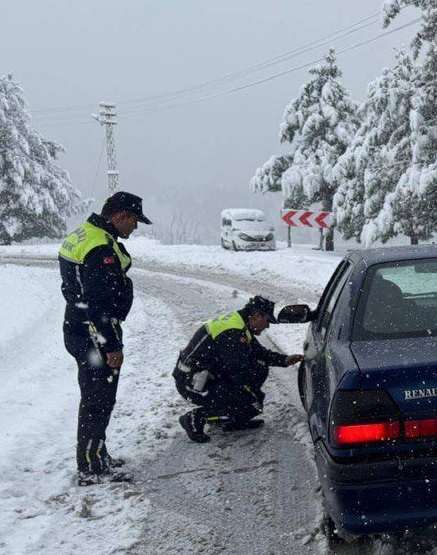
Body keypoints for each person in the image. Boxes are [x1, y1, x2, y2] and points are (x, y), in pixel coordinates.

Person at [58, 191, 151, 486]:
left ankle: (96, 454)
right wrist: (111, 344)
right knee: (97, 400)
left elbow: (72, 289)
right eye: (134, 222)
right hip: (94, 334)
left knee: (95, 396)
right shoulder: (100, 248)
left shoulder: (84, 235)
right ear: (121, 216)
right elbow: (97, 302)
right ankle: (91, 467)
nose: (134, 229)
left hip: (79, 327)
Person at [174, 296, 303, 443]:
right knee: (249, 403)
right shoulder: (233, 332)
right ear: (257, 315)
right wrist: (251, 398)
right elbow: (238, 370)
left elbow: (257, 352)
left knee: (252, 396)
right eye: (268, 320)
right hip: (193, 384)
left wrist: (284, 360)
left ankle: (233, 420)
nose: (267, 326)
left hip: (201, 377)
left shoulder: (240, 324)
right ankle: (196, 417)